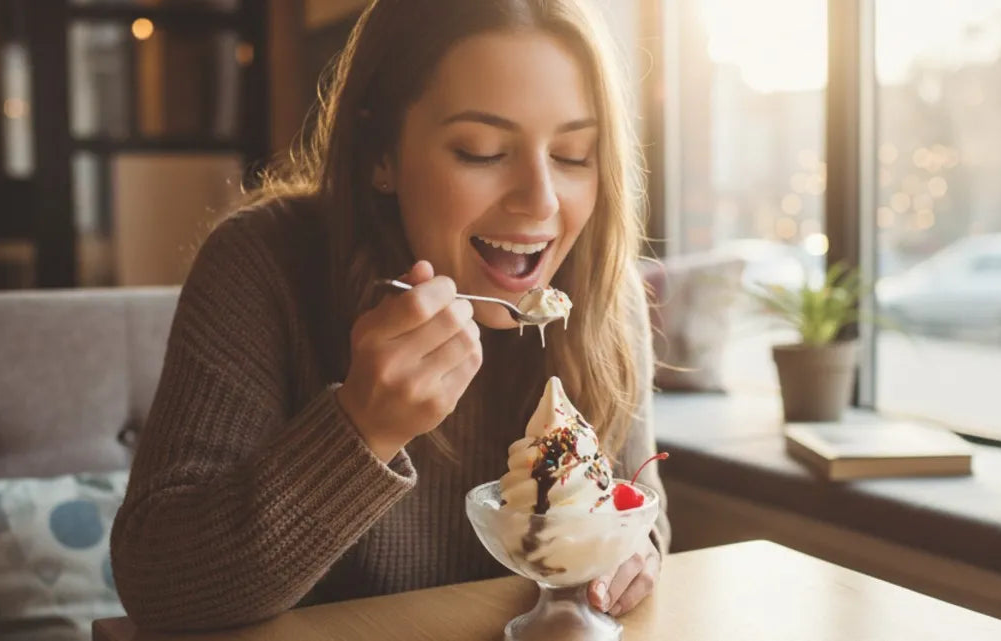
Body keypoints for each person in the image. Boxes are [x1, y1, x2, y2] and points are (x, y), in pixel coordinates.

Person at [110, 0, 670, 632]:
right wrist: (362, 427)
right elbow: (157, 585)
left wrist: (627, 558)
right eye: (482, 151)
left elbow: (639, 525)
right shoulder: (264, 263)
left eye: (573, 155)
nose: (542, 201)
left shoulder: (598, 285)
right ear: (382, 154)